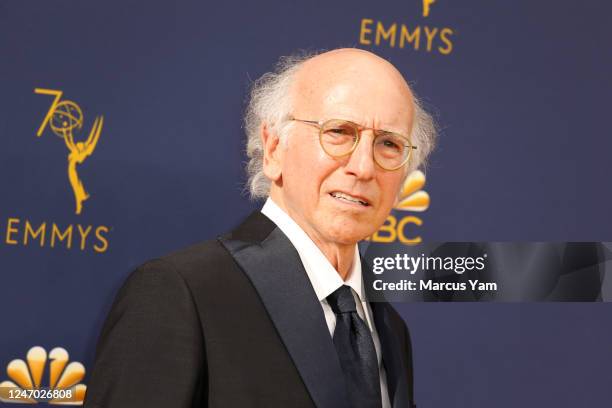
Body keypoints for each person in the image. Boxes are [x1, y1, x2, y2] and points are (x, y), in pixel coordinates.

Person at [84, 48, 436, 408]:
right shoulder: (181, 292)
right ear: (273, 148)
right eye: (340, 132)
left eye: (389, 144)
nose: (364, 168)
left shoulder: (389, 329)